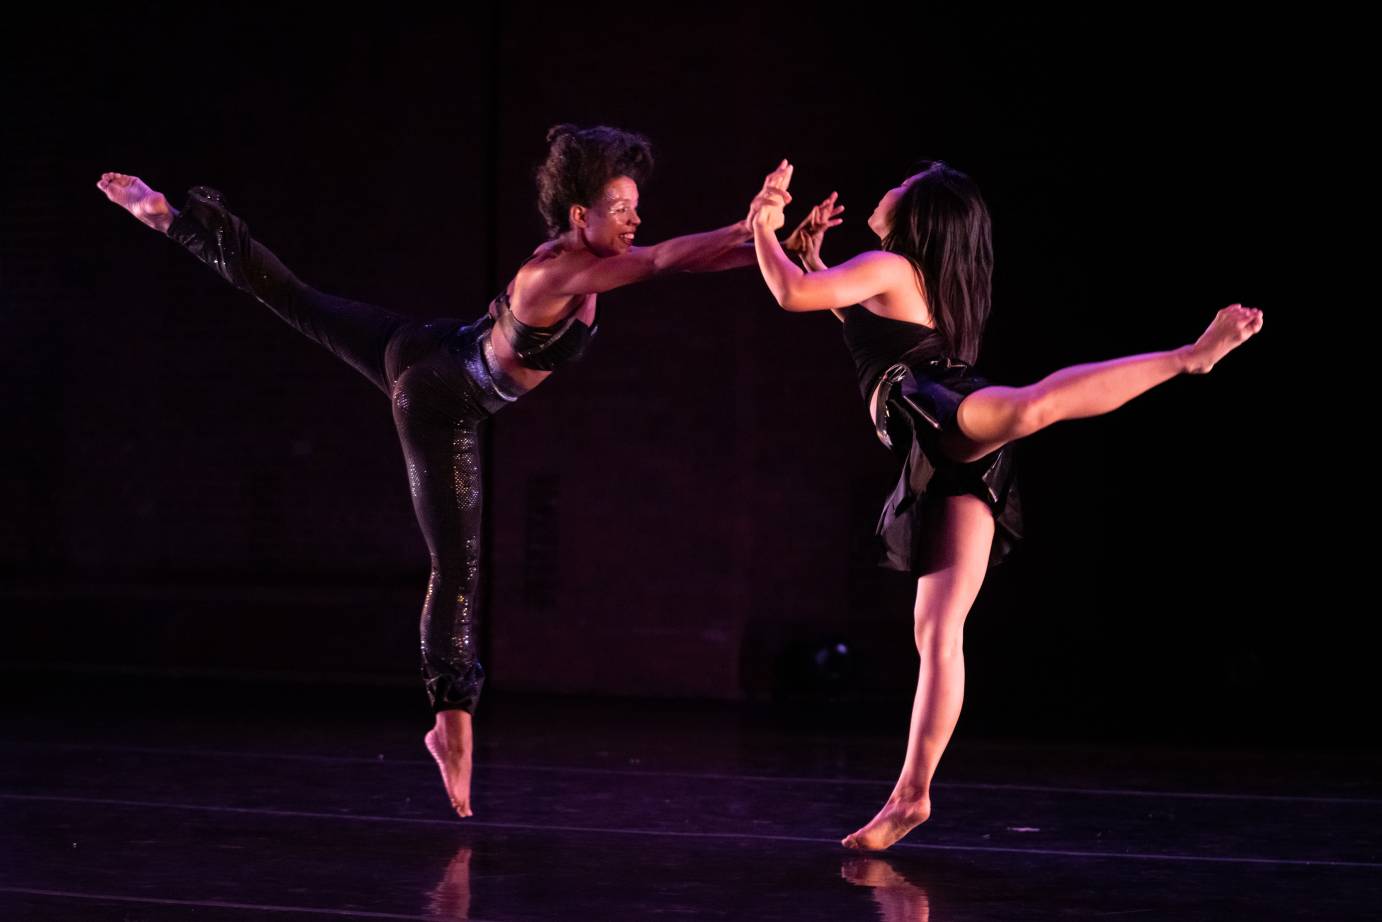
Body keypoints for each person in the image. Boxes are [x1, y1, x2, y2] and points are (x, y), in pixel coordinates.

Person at [97, 124, 764, 819]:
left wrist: (767, 244)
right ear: (580, 216)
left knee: (297, 299)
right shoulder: (558, 273)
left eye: (634, 207)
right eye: (622, 207)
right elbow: (665, 262)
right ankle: (450, 722)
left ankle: (166, 218)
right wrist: (750, 230)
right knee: (458, 567)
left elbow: (677, 258)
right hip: (440, 399)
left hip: (429, 343)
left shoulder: (572, 256)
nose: (636, 219)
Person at [745, 159, 1262, 851]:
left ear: (916, 215)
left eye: (902, 185)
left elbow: (787, 295)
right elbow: (839, 310)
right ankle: (911, 796)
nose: (889, 185)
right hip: (938, 451)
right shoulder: (893, 278)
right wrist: (808, 254)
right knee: (938, 631)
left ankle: (1188, 358)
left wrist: (763, 223)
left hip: (945, 412)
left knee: (1032, 406)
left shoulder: (890, 265)